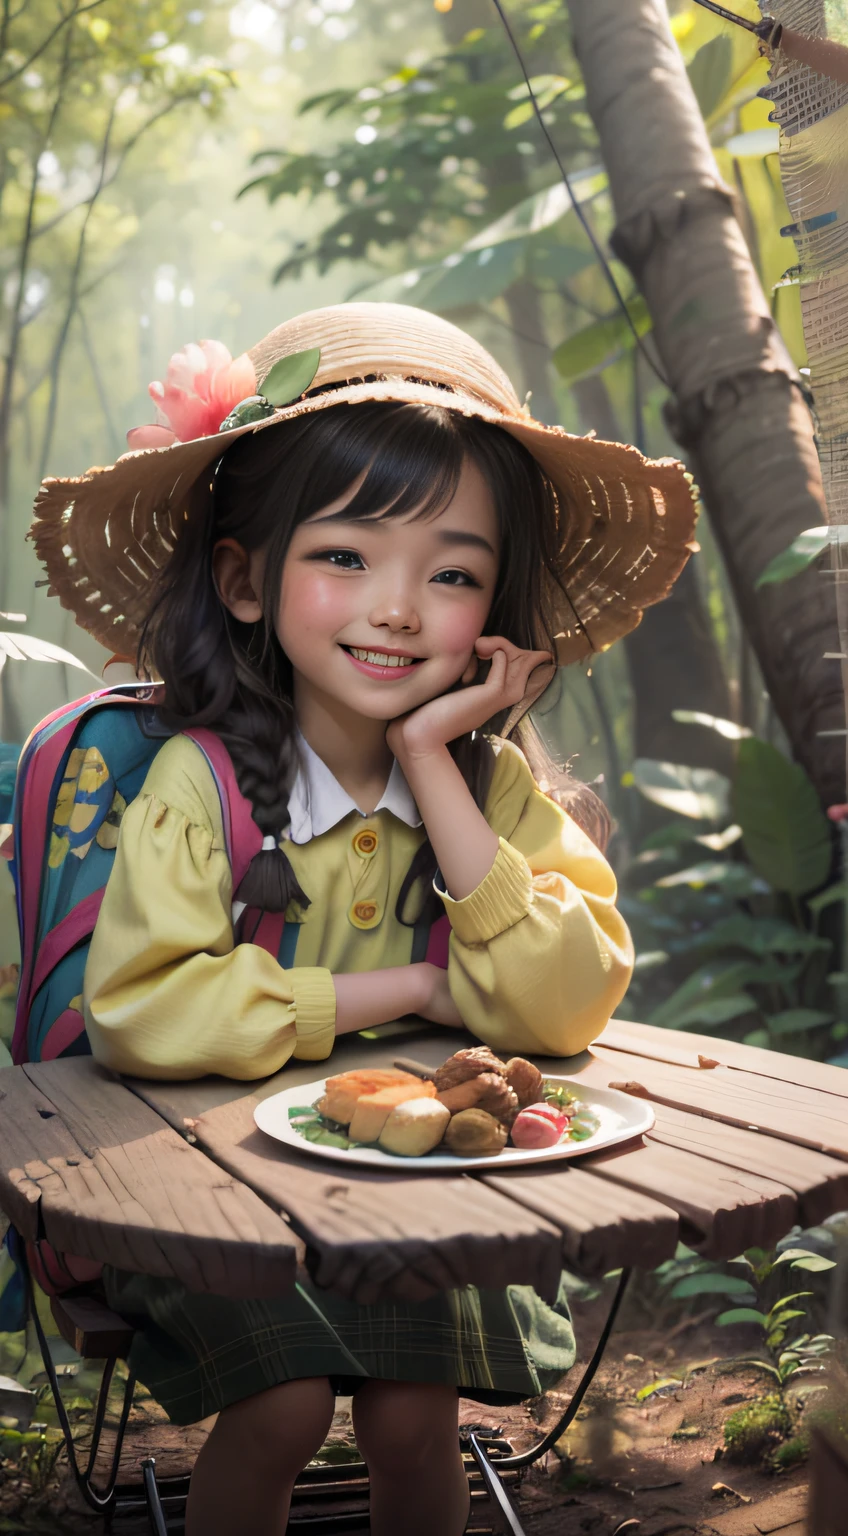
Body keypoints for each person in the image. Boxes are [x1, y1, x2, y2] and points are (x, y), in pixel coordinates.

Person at [31, 302, 696, 1536]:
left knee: (410, 1412)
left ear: (493, 610)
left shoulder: (490, 789)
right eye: (345, 556)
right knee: (280, 1409)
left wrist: (437, 763)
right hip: (203, 1194)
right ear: (244, 577)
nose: (396, 608)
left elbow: (562, 1001)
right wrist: (405, 993)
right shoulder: (204, 783)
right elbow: (142, 1012)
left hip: (414, 1199)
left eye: (449, 573)